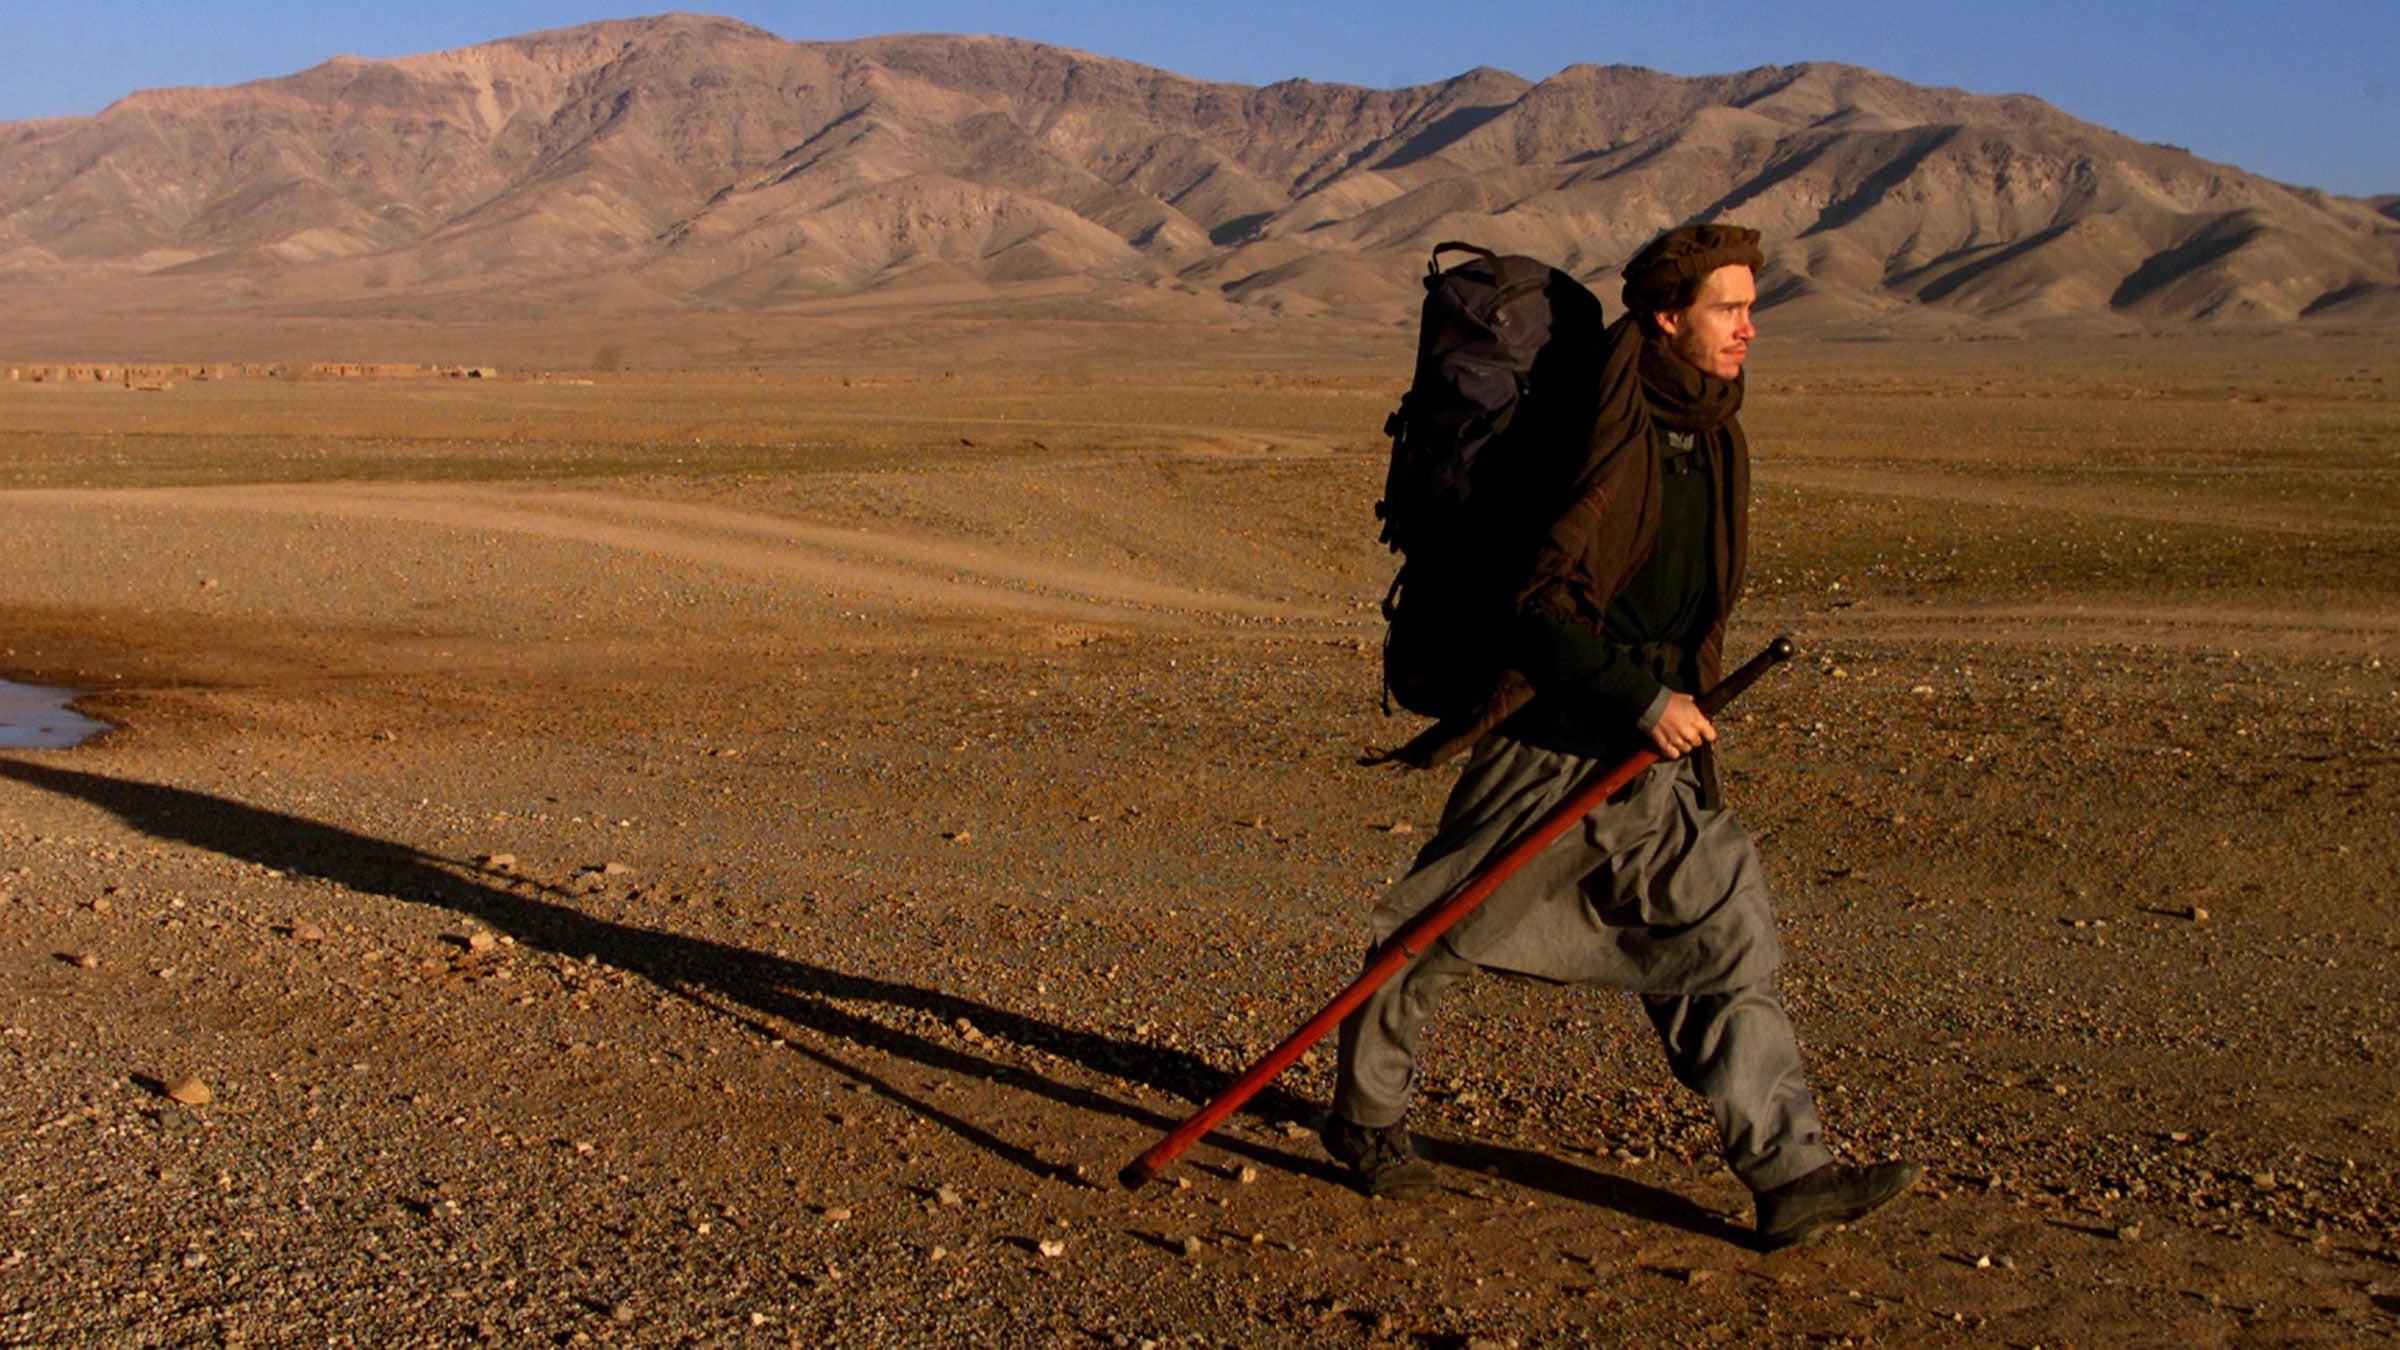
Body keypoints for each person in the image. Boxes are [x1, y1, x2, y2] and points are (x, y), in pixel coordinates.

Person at [1323, 223, 1918, 1250]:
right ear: (1666, 317)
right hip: (1558, 740)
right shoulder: (1596, 431)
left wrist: (1669, 705)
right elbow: (1537, 610)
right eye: (1729, 309)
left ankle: (1791, 1174)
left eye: (1751, 308)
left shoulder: (1711, 428)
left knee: (1726, 940)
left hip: (1659, 751)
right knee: (1436, 932)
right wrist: (1642, 701)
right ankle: (1364, 1117)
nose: (1749, 329)